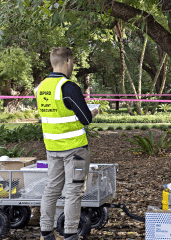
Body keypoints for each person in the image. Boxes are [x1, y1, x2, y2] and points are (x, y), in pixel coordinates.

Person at [36, 47, 99, 240]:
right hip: (75, 150)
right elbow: (86, 119)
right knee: (74, 191)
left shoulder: (40, 88)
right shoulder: (68, 87)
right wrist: (94, 112)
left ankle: (46, 232)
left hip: (52, 148)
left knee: (51, 188)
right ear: (68, 61)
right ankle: (70, 233)